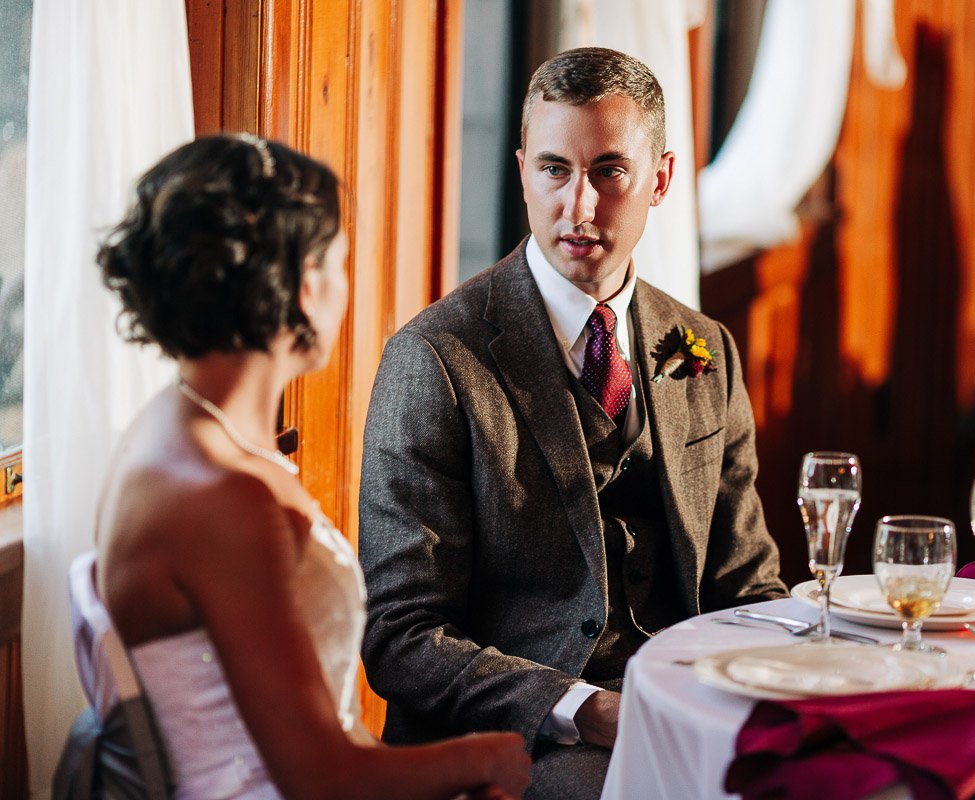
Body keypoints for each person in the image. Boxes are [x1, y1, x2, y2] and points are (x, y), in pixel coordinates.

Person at [359, 47, 787, 799]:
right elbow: (401, 637)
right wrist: (587, 710)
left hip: (688, 707)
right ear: (523, 171)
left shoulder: (705, 347)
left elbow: (748, 586)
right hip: (520, 739)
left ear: (661, 180)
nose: (579, 207)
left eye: (609, 172)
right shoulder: (435, 358)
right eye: (554, 169)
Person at [82, 134, 530, 800]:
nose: (346, 285)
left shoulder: (176, 421)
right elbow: (322, 778)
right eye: (342, 261)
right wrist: (486, 757)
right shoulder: (222, 498)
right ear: (304, 284)